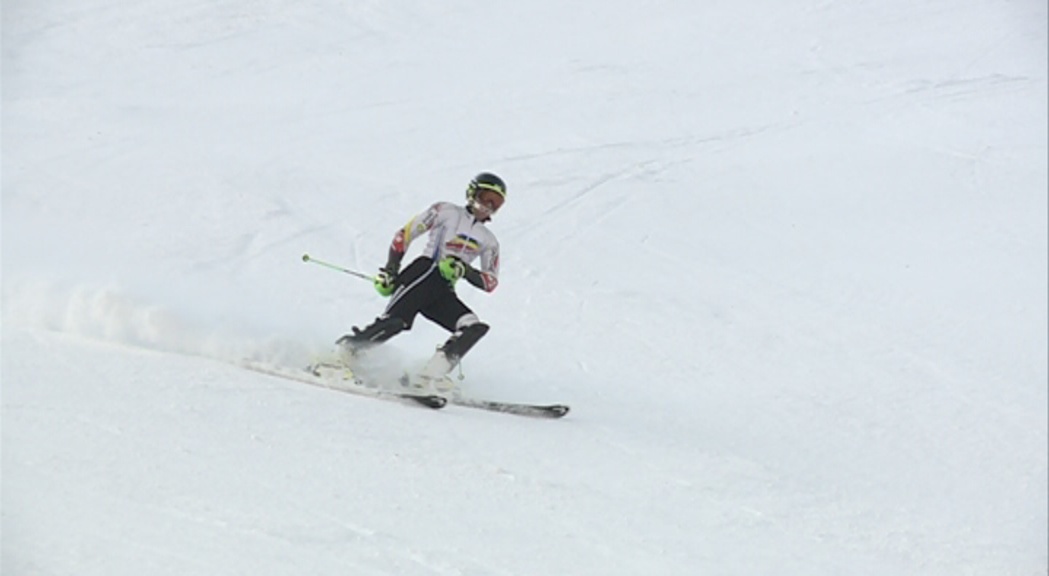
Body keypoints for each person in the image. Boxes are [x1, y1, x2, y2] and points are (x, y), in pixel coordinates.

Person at [336, 172, 506, 390]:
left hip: (443, 289)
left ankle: (430, 376)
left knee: (474, 327)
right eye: (486, 197)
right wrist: (391, 269)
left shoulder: (489, 240)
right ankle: (346, 353)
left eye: (496, 203)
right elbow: (404, 235)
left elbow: (490, 282)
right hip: (423, 272)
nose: (489, 206)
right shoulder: (446, 211)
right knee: (395, 322)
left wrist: (464, 270)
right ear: (473, 193)